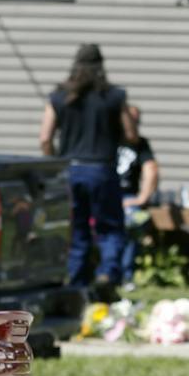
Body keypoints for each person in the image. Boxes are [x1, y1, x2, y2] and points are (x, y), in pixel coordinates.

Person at [38, 44, 135, 297]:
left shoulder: (58, 97)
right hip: (103, 169)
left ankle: (77, 283)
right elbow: (131, 134)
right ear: (101, 65)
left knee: (76, 229)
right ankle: (107, 273)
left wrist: (55, 163)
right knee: (110, 227)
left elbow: (45, 138)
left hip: (71, 171)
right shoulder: (115, 96)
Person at [116, 106, 161, 286]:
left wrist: (142, 198)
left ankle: (126, 276)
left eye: (136, 121)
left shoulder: (140, 144)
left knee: (132, 225)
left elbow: (152, 170)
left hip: (127, 198)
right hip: (103, 195)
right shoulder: (107, 140)